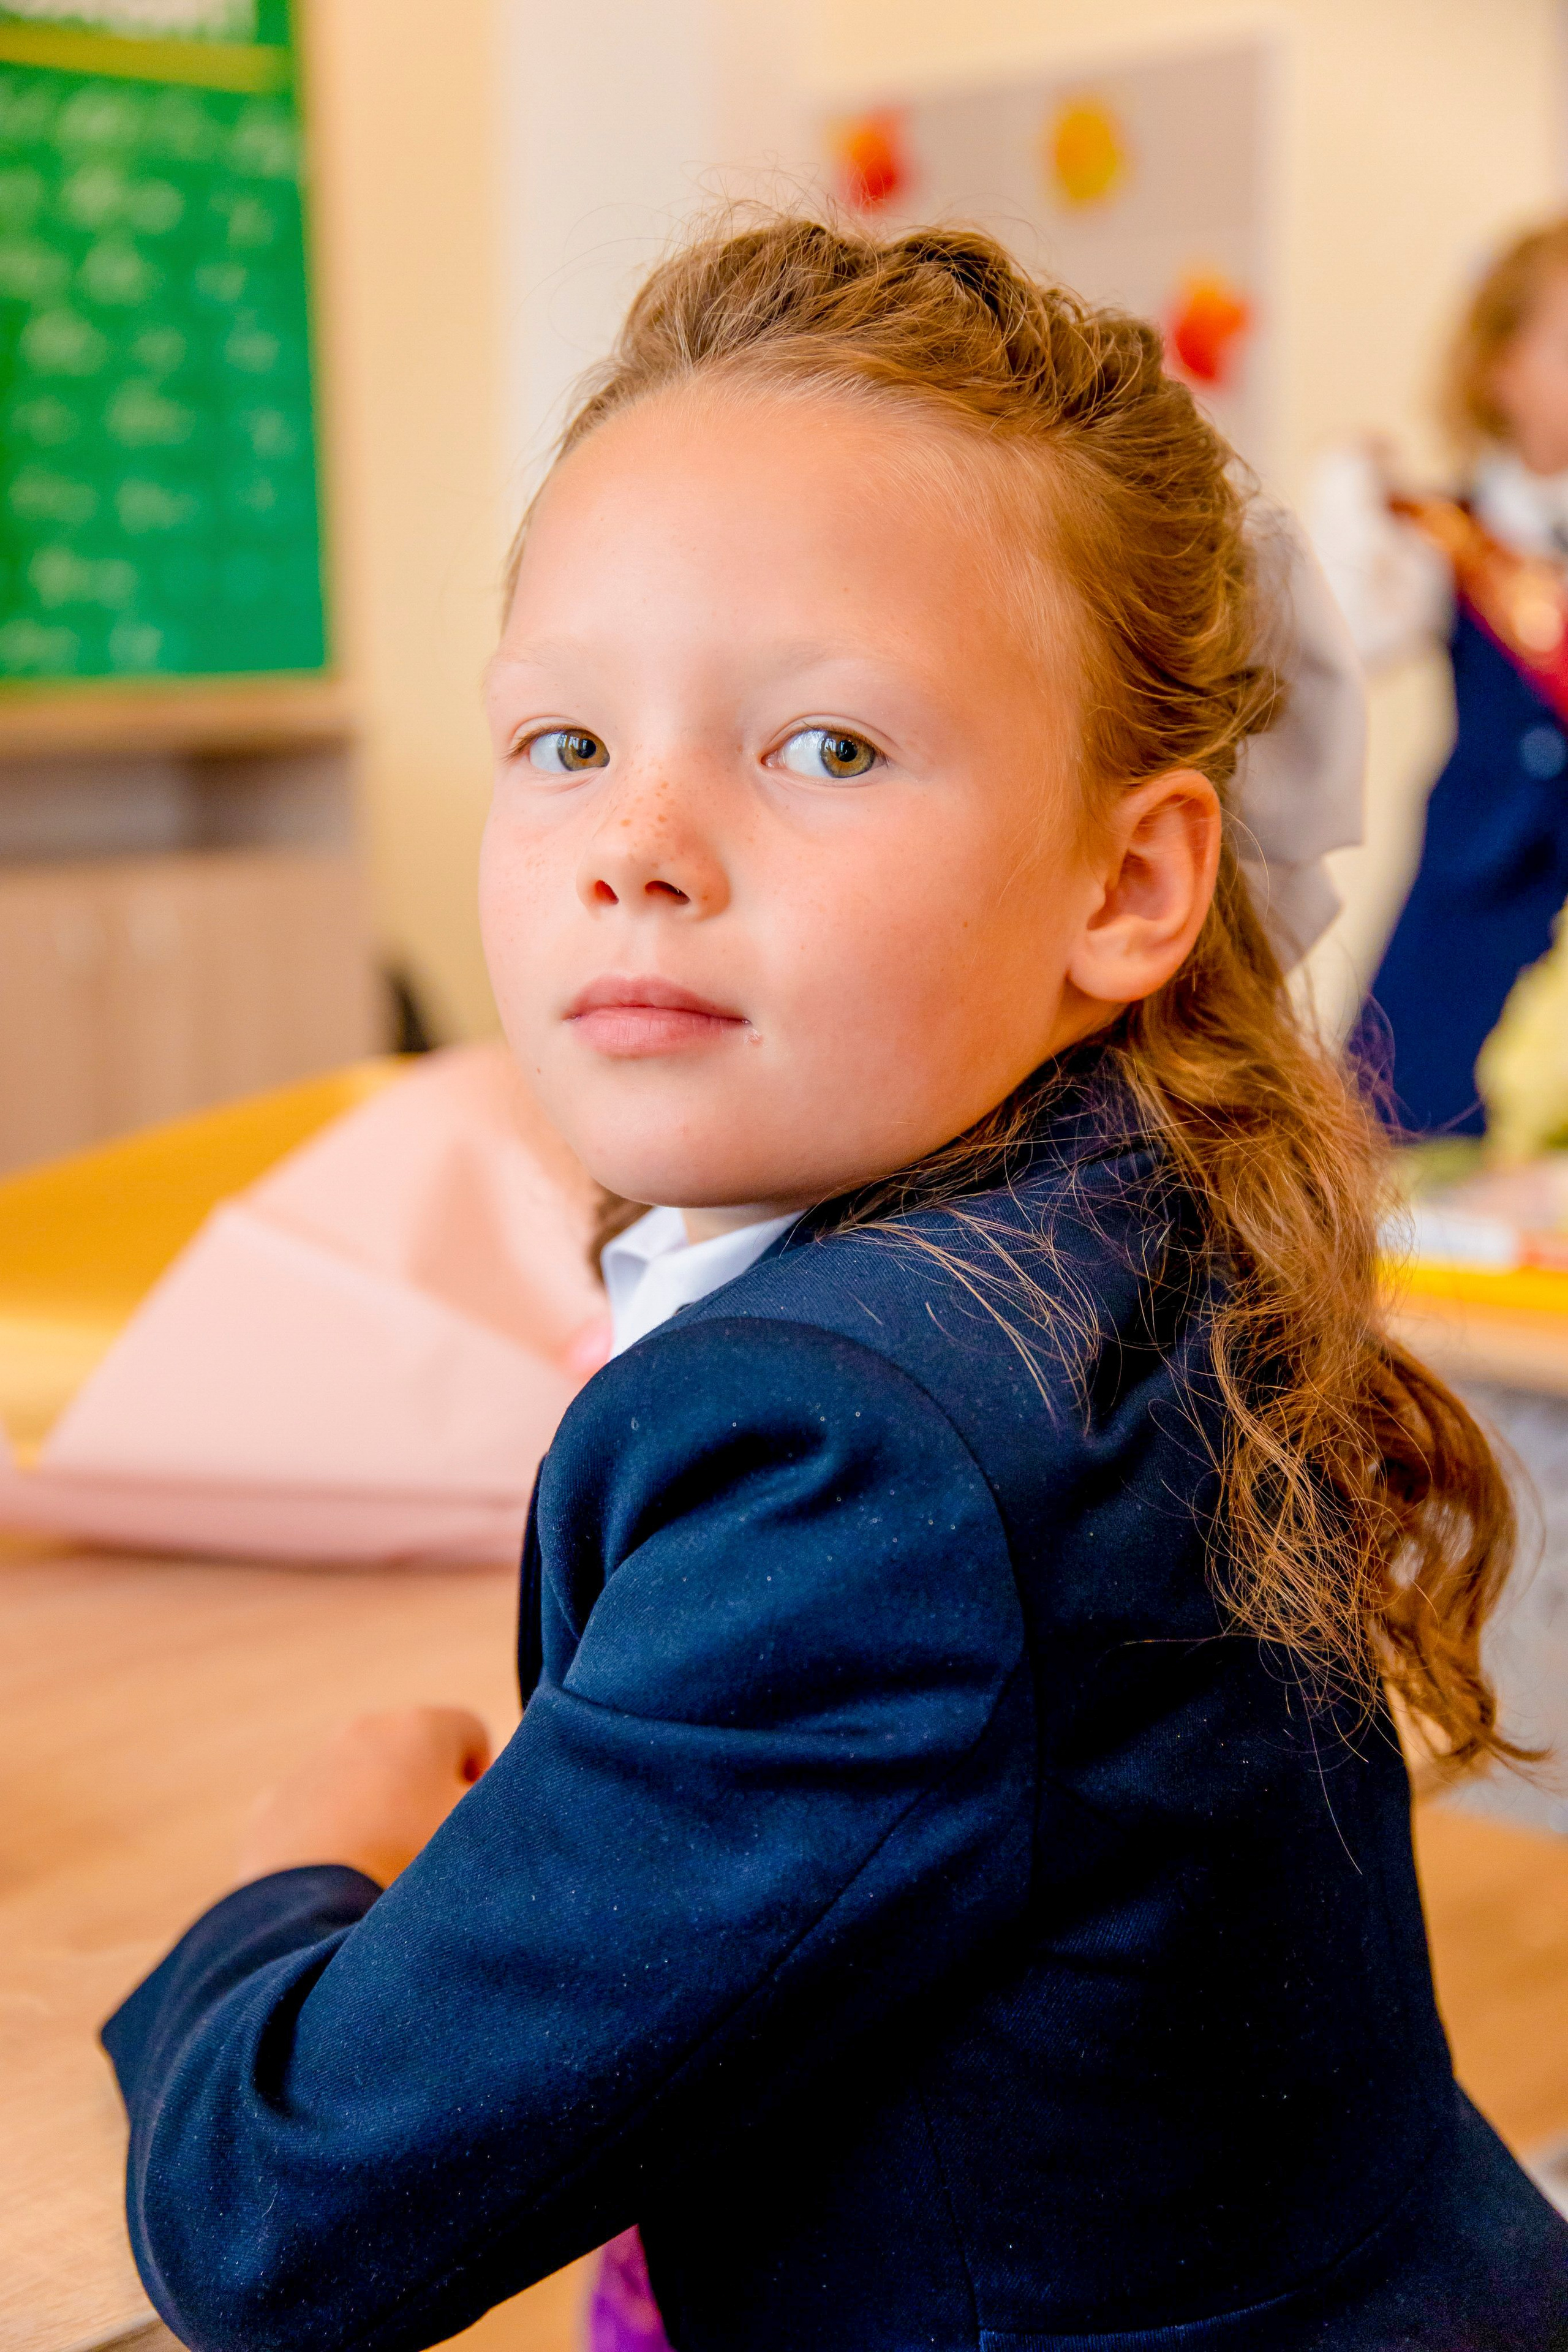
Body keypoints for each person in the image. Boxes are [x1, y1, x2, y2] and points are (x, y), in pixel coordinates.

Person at [102, 220, 1567, 2351]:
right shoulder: (1145, 1201)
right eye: (567, 743)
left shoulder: (852, 1441)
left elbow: (271, 2228)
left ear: (1130, 880)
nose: (643, 846)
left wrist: (293, 1875)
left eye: (827, 750)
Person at [1315, 215, 1568, 1136]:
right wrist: (1350, 513)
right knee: (1415, 1137)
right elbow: (1347, 639)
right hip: (1476, 897)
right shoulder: (1444, 530)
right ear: (1500, 369)